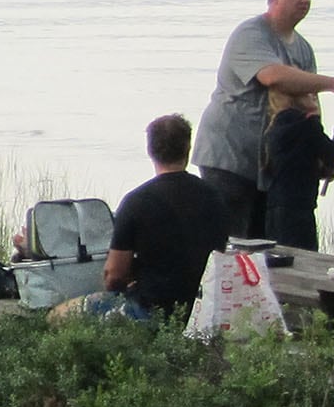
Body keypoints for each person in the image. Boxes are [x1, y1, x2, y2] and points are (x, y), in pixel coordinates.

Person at [192, 0, 334, 239]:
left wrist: (319, 157)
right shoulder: (250, 34)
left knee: (267, 247)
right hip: (229, 156)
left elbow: (309, 106)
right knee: (234, 244)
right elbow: (272, 76)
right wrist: (333, 83)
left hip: (270, 165)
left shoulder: (303, 48)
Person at [79, 114, 232, 323]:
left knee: (61, 313)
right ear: (188, 147)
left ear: (150, 150)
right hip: (202, 308)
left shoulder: (137, 202)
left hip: (151, 310)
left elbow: (114, 275)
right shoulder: (215, 197)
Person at [260, 88, 334, 251]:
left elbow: (286, 164)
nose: (313, 96)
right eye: (308, 94)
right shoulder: (308, 126)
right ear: (296, 99)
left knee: (279, 260)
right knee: (304, 259)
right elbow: (333, 156)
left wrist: (320, 171)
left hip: (274, 208)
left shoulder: (273, 129)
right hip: (299, 208)